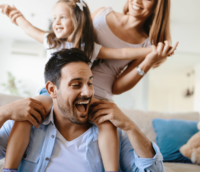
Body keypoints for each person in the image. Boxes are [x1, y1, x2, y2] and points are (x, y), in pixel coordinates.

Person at [0, 0, 156, 172]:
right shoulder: (51, 40)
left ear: (77, 21)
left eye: (62, 17)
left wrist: (152, 50)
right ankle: (9, 169)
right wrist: (16, 15)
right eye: (55, 18)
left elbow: (122, 52)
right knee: (27, 114)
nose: (56, 22)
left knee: (107, 122)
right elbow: (28, 28)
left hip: (89, 98)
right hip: (47, 94)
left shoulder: (90, 48)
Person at [0, 48, 165, 172]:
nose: (88, 92)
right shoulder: (27, 122)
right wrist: (3, 113)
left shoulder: (111, 130)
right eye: (76, 84)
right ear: (52, 90)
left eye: (90, 83)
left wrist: (130, 126)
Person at [91, 0, 178, 99]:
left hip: (98, 97)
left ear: (156, 7)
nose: (136, 0)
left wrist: (148, 61)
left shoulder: (146, 44)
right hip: (67, 87)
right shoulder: (100, 14)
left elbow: (116, 88)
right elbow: (74, 42)